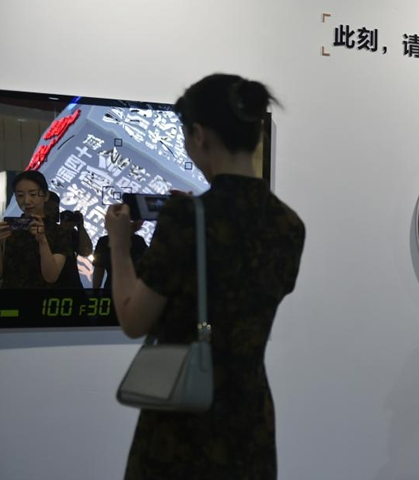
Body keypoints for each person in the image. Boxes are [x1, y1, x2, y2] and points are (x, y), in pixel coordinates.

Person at [105, 74, 305, 479]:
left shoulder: (186, 219)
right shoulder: (289, 225)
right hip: (249, 420)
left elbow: (132, 318)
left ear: (199, 135)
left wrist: (119, 246)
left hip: (184, 421)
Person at [0, 171, 71, 288]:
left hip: (43, 302)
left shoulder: (59, 232)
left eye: (33, 194)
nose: (26, 201)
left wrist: (42, 241)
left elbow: (51, 276)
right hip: (10, 301)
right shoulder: (8, 229)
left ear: (45, 196)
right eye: (20, 195)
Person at [45, 193, 93, 289]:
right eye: (49, 209)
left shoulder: (68, 231)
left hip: (71, 284)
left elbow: (86, 251)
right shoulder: (37, 231)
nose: (53, 213)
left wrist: (80, 227)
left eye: (56, 210)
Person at [91, 220, 148, 289]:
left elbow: (98, 270)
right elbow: (98, 269)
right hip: (113, 289)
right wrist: (95, 292)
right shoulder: (103, 241)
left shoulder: (139, 241)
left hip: (131, 289)